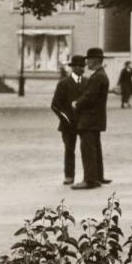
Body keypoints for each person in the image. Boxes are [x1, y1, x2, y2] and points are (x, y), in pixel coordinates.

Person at [72, 47, 111, 190]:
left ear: (95, 60)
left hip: (89, 119)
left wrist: (77, 103)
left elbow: (90, 97)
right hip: (96, 118)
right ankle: (98, 176)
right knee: (95, 148)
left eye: (88, 59)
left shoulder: (97, 76)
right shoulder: (101, 75)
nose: (86, 62)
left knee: (88, 149)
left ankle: (90, 180)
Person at [51, 55, 86, 185]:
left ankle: (87, 177)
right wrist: (65, 119)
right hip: (68, 125)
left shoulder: (88, 82)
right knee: (69, 150)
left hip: (84, 123)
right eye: (80, 66)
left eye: (84, 66)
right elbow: (55, 105)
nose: (83, 69)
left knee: (86, 151)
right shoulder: (63, 83)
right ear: (73, 67)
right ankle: (69, 176)